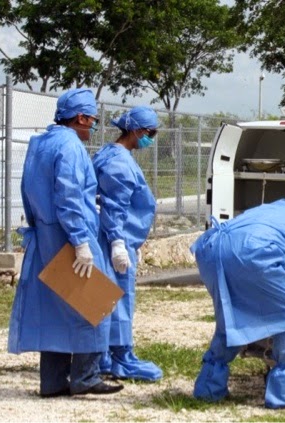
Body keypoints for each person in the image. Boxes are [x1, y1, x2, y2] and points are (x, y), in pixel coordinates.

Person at [7, 88, 124, 397]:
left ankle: (53, 381)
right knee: (95, 304)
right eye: (93, 121)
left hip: (46, 237)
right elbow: (69, 198)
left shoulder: (40, 143)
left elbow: (30, 191)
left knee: (56, 311)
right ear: (81, 117)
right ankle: (86, 376)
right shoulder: (70, 146)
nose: (94, 127)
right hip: (70, 240)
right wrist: (81, 241)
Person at [191, 197, 285, 409]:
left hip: (211, 250)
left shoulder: (269, 209)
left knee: (232, 314)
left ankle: (209, 386)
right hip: (253, 254)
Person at [93, 106, 162, 382]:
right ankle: (121, 357)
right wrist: (118, 243)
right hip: (115, 241)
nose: (151, 139)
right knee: (118, 298)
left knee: (108, 298)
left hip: (115, 238)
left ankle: (105, 355)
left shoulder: (112, 154)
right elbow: (115, 206)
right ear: (135, 131)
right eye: (150, 133)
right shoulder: (118, 163)